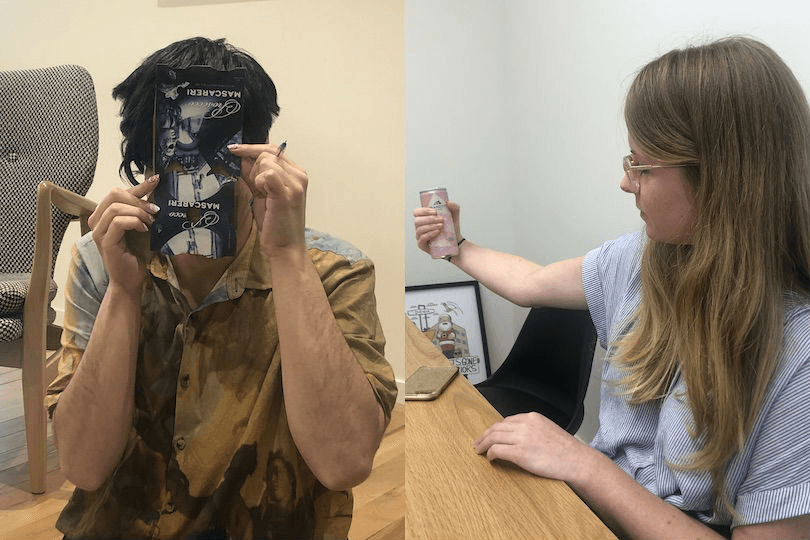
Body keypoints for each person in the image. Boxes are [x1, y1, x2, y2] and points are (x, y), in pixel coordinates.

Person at [413, 36, 810, 538]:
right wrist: (456, 247)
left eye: (641, 166)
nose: (626, 183)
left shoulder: (798, 358)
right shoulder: (638, 260)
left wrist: (583, 463)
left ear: (721, 178)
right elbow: (529, 283)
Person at [46, 37, 397, 539]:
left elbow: (344, 462)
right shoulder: (102, 263)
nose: (192, 171)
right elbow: (82, 465)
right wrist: (123, 293)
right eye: (170, 147)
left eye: (213, 147)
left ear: (254, 154)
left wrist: (288, 257)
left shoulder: (332, 271)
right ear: (145, 157)